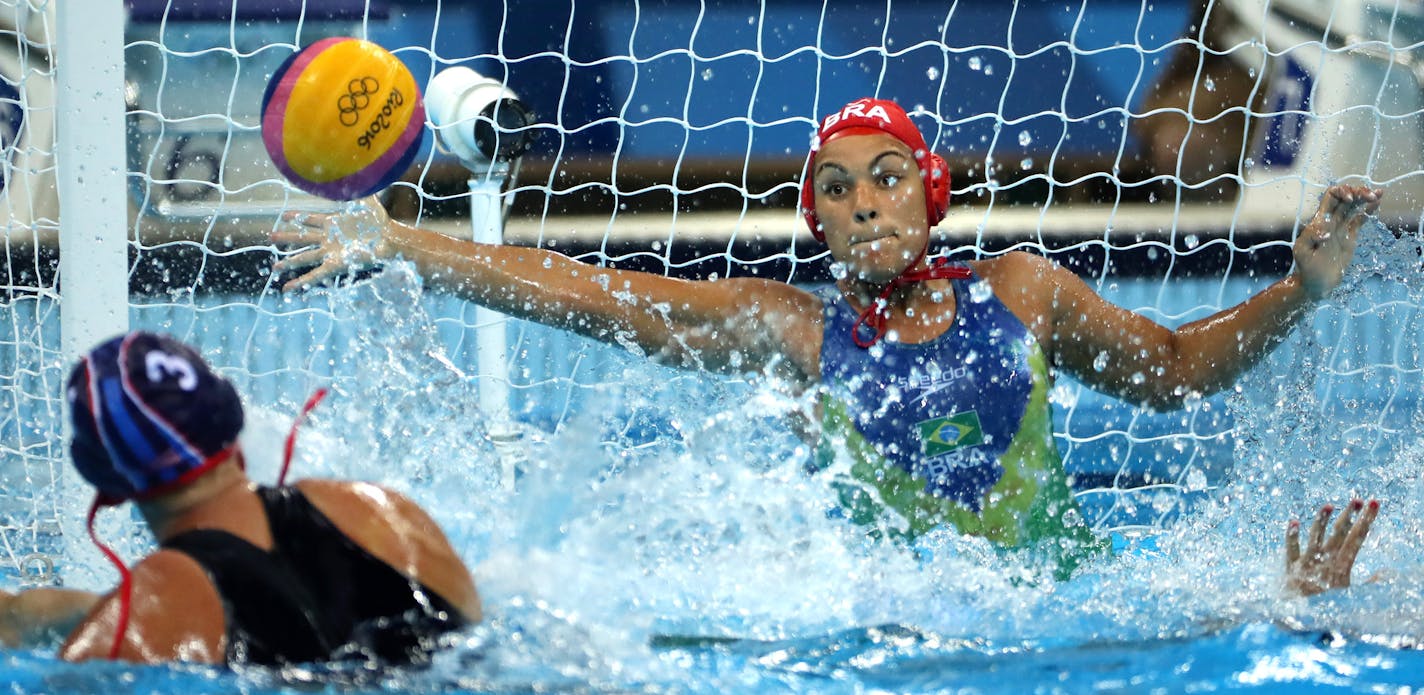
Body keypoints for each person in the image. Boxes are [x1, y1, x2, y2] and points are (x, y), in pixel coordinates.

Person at [273, 96, 1383, 575]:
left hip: (1055, 599)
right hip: (897, 617)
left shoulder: (1023, 291)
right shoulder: (797, 333)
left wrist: (1300, 290)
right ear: (820, 222)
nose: (862, 204)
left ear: (929, 194)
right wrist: (402, 240)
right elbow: (597, 295)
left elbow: (1177, 372)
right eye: (838, 190)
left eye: (885, 179)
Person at [0, 331, 480, 665]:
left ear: (109, 484)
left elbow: (230, 601)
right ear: (231, 421)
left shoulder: (131, 628)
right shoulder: (386, 514)